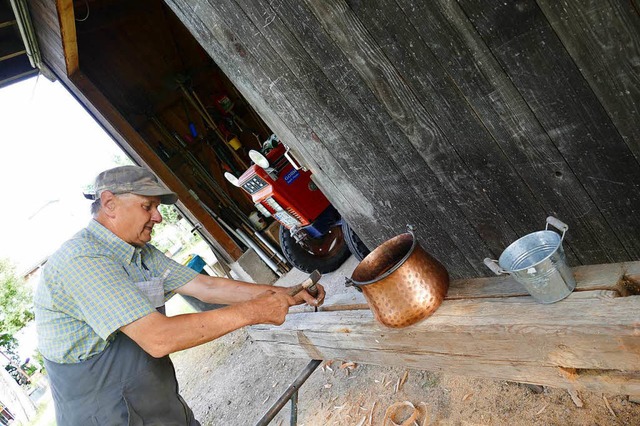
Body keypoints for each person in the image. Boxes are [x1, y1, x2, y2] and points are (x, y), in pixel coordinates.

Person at [34, 165, 325, 425]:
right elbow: (158, 338)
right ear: (109, 203)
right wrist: (255, 312)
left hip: (155, 401)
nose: (158, 217)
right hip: (105, 414)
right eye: (147, 206)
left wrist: (287, 293)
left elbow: (207, 287)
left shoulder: (140, 252)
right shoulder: (83, 261)